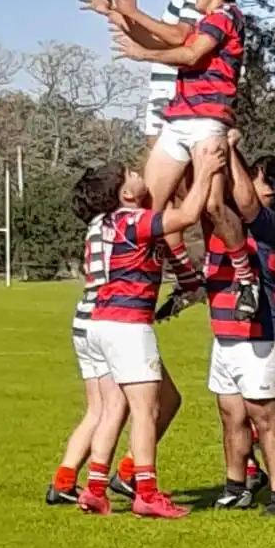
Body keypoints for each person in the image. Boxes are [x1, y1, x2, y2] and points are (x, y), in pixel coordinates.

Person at [105, 0, 257, 319]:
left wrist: (143, 53)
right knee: (147, 211)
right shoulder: (205, 22)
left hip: (208, 121)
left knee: (213, 206)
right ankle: (188, 282)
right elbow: (157, 37)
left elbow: (190, 53)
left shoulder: (227, 16)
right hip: (177, 121)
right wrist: (119, 15)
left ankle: (247, 280)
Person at [77, 145, 223, 519]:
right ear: (126, 194)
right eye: (131, 173)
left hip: (101, 324)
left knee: (121, 407)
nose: (140, 175)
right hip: (127, 326)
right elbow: (188, 215)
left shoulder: (108, 224)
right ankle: (146, 492)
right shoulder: (133, 221)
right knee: (146, 411)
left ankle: (95, 488)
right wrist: (204, 169)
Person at [204, 134, 275, 515]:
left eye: (253, 175)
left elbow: (245, 200)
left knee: (265, 417)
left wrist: (231, 149)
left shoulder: (270, 223)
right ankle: (236, 485)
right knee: (231, 416)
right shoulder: (226, 217)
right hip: (224, 333)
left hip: (262, 333)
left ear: (269, 189)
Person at [47, 177, 113, 505]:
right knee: (115, 408)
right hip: (106, 319)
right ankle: (100, 484)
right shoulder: (115, 224)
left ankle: (64, 480)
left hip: (84, 318)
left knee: (97, 409)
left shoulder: (96, 225)